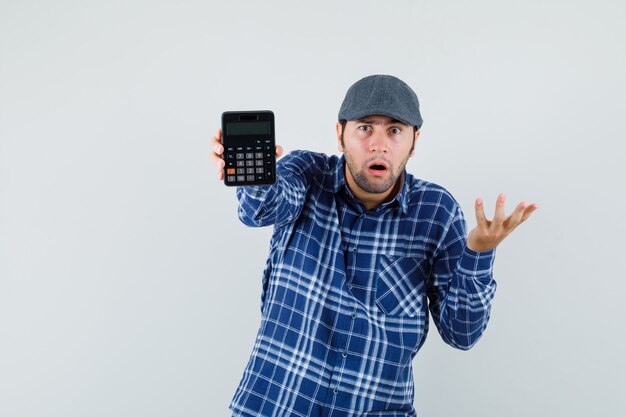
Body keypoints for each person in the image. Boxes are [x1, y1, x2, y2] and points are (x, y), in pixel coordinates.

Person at [209, 74, 537, 417]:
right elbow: (260, 209)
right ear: (340, 135)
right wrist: (254, 177)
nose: (379, 144)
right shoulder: (306, 173)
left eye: (395, 131)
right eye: (365, 128)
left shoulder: (437, 212)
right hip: (276, 405)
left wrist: (479, 253)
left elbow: (462, 332)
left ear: (414, 142)